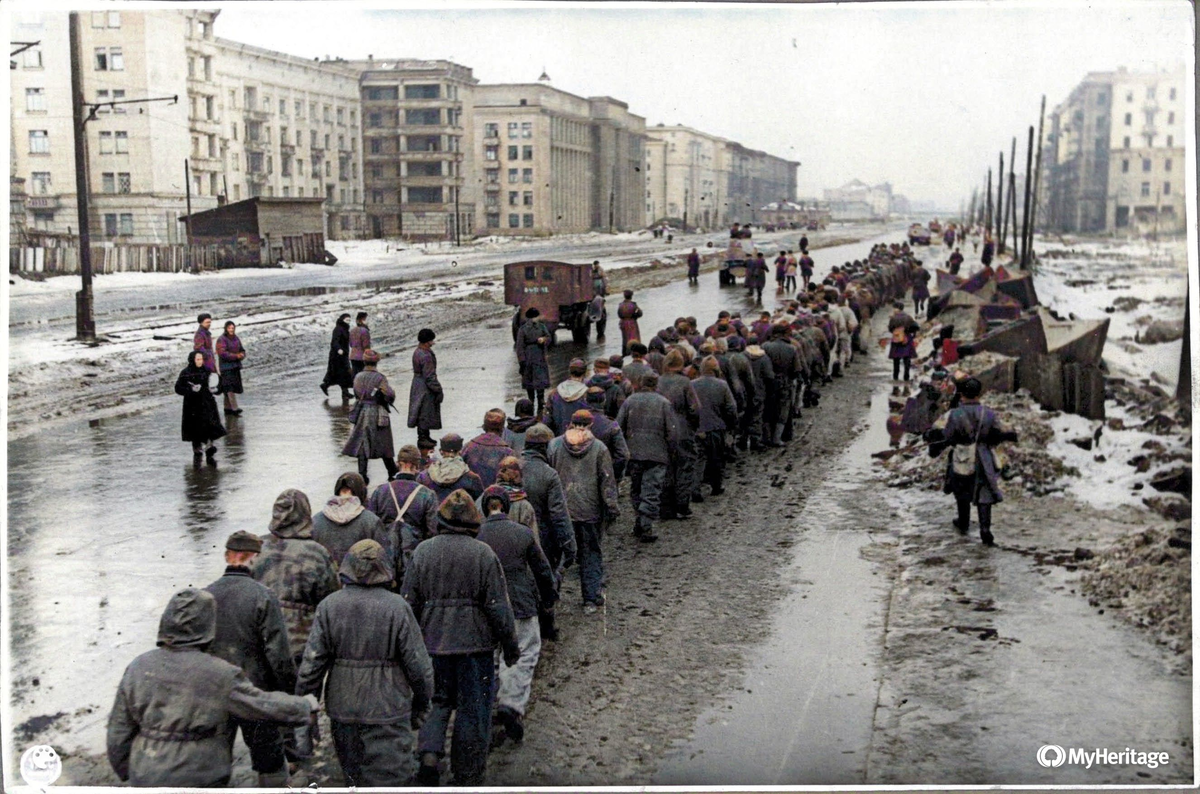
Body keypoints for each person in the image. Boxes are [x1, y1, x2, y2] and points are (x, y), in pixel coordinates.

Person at [107, 589, 317, 788]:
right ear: (208, 626)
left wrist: (129, 770)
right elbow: (262, 705)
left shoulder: (138, 666)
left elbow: (118, 731)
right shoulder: (220, 673)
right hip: (199, 776)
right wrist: (304, 705)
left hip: (145, 774)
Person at [402, 491, 520, 787]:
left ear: (440, 520)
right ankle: (466, 772)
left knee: (436, 702)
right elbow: (498, 607)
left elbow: (409, 602)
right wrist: (510, 646)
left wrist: (407, 648)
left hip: (432, 644)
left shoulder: (422, 552)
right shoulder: (483, 554)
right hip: (475, 647)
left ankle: (429, 755)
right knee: (473, 708)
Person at [297, 539, 433, 787]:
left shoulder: (329, 606)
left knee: (352, 777)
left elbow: (312, 664)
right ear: (385, 569)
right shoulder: (397, 607)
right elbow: (419, 666)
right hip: (388, 708)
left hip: (343, 708)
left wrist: (308, 706)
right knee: (392, 780)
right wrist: (421, 705)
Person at [203, 531, 296, 788]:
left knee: (213, 764)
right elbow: (278, 655)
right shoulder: (263, 596)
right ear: (254, 558)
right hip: (255, 694)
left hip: (215, 694)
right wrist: (288, 691)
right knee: (270, 762)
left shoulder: (204, 596)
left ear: (226, 556)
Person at [476, 486, 557, 741]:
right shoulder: (522, 533)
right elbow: (543, 571)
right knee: (525, 653)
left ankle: (491, 704)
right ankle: (511, 704)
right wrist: (547, 600)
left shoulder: (476, 536)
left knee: (492, 656)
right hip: (521, 604)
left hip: (486, 608)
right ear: (507, 506)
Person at [926, 377, 1018, 547]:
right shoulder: (989, 413)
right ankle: (985, 529)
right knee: (984, 494)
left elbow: (948, 436)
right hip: (984, 458)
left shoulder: (955, 414)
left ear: (962, 395)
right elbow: (996, 435)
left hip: (962, 456)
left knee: (961, 490)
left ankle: (963, 521)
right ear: (978, 393)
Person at [253, 489, 341, 666]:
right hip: (302, 643)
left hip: (261, 640)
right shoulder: (317, 554)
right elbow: (332, 602)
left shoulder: (257, 548)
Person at [548, 410, 619, 613]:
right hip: (590, 512)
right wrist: (612, 508)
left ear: (570, 423)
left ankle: (553, 595)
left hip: (562, 512)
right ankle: (590, 598)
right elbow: (607, 482)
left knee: (559, 556)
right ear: (590, 425)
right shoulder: (599, 448)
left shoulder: (554, 445)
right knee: (591, 554)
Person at [519, 423, 576, 640]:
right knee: (546, 579)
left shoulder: (513, 467)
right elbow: (559, 515)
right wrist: (570, 545)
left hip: (515, 535)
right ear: (546, 449)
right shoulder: (549, 475)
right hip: (543, 539)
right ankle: (547, 625)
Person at [616, 371, 673, 542]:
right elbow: (672, 431)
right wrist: (671, 451)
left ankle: (639, 520)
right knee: (651, 490)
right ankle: (646, 525)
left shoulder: (630, 401)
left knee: (636, 488)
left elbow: (618, 426)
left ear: (640, 383)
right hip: (657, 454)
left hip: (634, 453)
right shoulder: (664, 403)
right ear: (656, 385)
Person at [367, 445, 440, 566]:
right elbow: (432, 532)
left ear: (397, 464)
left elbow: (371, 527)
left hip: (385, 558)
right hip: (414, 558)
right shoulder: (427, 494)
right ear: (417, 466)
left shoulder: (380, 491)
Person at [311, 472, 390, 569]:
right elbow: (385, 560)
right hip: (360, 581)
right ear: (362, 493)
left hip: (325, 581)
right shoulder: (372, 521)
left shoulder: (315, 521)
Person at [656, 349, 702, 516]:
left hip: (662, 431)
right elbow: (695, 409)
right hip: (683, 429)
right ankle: (682, 505)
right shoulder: (685, 382)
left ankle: (666, 507)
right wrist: (693, 426)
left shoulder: (658, 382)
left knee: (666, 467)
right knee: (685, 466)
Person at [343, 349, 397, 486]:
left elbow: (355, 392)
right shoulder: (380, 378)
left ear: (364, 361)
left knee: (362, 443)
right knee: (384, 443)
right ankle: (392, 471)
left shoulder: (358, 376)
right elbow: (390, 395)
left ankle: (362, 474)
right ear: (376, 362)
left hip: (362, 411)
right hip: (378, 412)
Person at [691, 357, 738, 497]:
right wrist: (732, 425)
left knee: (698, 460)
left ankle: (695, 489)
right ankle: (716, 486)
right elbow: (731, 408)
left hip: (697, 429)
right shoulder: (722, 385)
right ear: (716, 369)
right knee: (716, 459)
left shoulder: (692, 384)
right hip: (716, 428)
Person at [175, 351, 226, 464]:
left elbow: (217, 384)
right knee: (195, 428)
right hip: (192, 406)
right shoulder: (185, 373)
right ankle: (197, 448)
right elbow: (178, 388)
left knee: (209, 425)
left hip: (207, 404)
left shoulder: (207, 371)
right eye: (197, 359)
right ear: (192, 360)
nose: (200, 361)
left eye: (201, 359)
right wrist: (191, 390)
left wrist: (216, 389)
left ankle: (209, 446)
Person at [417, 433, 485, 503]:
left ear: (441, 452)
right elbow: (479, 504)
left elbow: (419, 503)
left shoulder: (423, 477)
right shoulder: (472, 478)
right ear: (460, 452)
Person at [463, 409, 517, 488]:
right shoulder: (508, 452)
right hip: (496, 497)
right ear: (502, 429)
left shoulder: (468, 446)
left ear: (484, 427)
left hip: (471, 496)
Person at [408, 328, 443, 448]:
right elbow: (429, 376)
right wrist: (438, 389)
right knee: (425, 410)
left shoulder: (417, 351)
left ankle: (425, 436)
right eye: (431, 340)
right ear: (426, 341)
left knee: (420, 409)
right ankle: (423, 438)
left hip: (418, 383)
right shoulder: (426, 356)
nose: (432, 343)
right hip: (425, 386)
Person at [514, 308, 552, 415]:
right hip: (529, 357)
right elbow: (520, 346)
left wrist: (544, 340)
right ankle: (531, 402)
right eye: (536, 316)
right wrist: (522, 361)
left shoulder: (541, 326)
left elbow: (548, 337)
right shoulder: (523, 329)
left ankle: (540, 402)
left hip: (539, 356)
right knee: (529, 381)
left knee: (540, 380)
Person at [544, 358, 589, 436]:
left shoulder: (555, 393)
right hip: (580, 439)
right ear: (584, 373)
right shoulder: (587, 394)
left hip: (559, 438)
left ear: (569, 371)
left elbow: (547, 420)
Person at [320, 313, 354, 401]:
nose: (348, 322)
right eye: (347, 320)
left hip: (344, 355)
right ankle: (325, 385)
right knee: (336, 373)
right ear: (342, 320)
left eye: (349, 320)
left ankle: (345, 392)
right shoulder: (338, 329)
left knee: (345, 373)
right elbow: (334, 341)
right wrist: (338, 349)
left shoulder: (345, 329)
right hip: (336, 357)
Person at [215, 321, 246, 415]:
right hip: (226, 367)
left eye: (232, 328)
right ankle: (234, 408)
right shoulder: (221, 339)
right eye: (229, 328)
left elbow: (242, 349)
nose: (231, 330)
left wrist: (242, 354)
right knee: (229, 388)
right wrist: (236, 356)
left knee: (227, 388)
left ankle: (227, 408)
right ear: (226, 328)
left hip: (235, 366)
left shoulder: (236, 338)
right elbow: (223, 353)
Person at [887, 302, 920, 382]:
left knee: (896, 359)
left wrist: (897, 332)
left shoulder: (893, 318)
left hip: (897, 339)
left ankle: (896, 376)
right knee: (907, 359)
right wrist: (910, 334)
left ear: (897, 308)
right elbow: (916, 327)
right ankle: (906, 376)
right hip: (907, 339)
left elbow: (890, 328)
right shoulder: (908, 317)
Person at [617, 290, 644, 357]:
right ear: (631, 296)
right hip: (632, 323)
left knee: (625, 339)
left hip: (623, 324)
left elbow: (619, 314)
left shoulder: (621, 305)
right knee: (633, 337)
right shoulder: (633, 305)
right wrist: (634, 317)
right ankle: (635, 353)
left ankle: (625, 353)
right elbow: (640, 313)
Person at [349, 312, 371, 376]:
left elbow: (351, 344)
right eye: (365, 319)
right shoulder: (364, 331)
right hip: (362, 357)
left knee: (356, 377)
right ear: (362, 320)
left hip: (353, 356)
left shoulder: (352, 330)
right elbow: (366, 346)